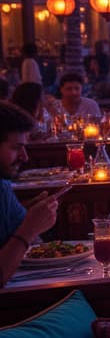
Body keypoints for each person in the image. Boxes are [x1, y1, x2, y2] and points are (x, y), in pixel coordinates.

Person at [0, 102, 63, 288]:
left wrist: (29, 213)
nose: (24, 157)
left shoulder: (3, 185)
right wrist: (29, 228)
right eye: (15, 147)